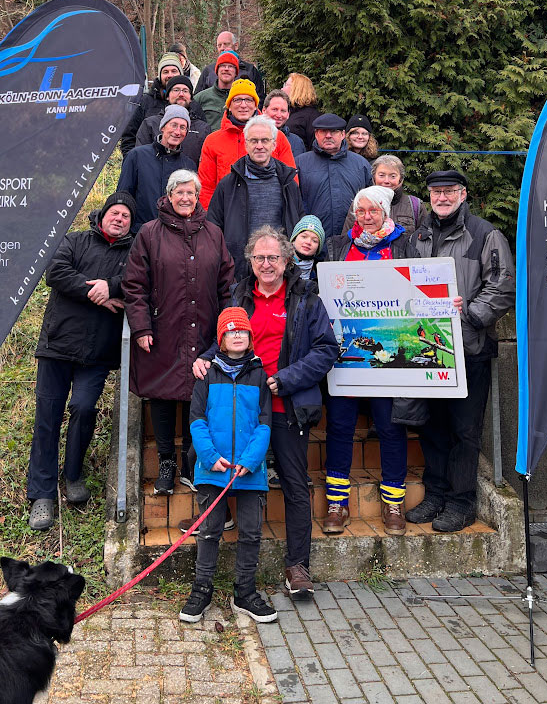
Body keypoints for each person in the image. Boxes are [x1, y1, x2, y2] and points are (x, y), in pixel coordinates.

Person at [193, 226, 338, 600]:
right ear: (250, 261)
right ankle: (215, 556)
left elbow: (326, 349)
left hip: (286, 406)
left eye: (273, 257)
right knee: (225, 473)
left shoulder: (306, 298)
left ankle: (297, 566)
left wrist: (286, 379)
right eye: (259, 257)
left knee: (294, 483)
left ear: (287, 260)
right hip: (242, 411)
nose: (266, 263)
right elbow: (224, 338)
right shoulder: (239, 295)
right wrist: (206, 358)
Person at [406, 169, 515, 532]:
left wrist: (468, 313)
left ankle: (462, 502)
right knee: (432, 428)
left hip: (470, 349)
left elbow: (502, 286)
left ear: (463, 194)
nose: (442, 197)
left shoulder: (485, 234)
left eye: (450, 191)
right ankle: (436, 494)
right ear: (429, 196)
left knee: (464, 431)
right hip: (429, 349)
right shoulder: (418, 236)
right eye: (436, 192)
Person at [27, 193, 136, 530]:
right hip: (57, 344)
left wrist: (111, 285)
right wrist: (96, 294)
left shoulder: (134, 253)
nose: (119, 219)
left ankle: (73, 474)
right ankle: (42, 494)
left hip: (97, 352)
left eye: (126, 216)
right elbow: (56, 272)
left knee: (84, 408)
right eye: (114, 212)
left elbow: (139, 282)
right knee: (47, 418)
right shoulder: (74, 241)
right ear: (102, 215)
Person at [123, 170, 234, 495]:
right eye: (179, 192)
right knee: (161, 394)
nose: (185, 198)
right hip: (162, 329)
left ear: (198, 197)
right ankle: (166, 462)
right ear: (169, 195)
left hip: (204, 328)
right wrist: (141, 326)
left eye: (191, 193)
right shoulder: (149, 233)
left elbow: (226, 284)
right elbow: (134, 284)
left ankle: (190, 460)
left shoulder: (213, 233)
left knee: (196, 394)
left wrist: (225, 328)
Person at [323, 186, 425, 535]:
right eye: (361, 211)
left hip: (387, 353)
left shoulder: (404, 244)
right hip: (346, 354)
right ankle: (337, 502)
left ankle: (393, 502)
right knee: (339, 426)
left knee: (390, 427)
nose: (367, 217)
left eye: (374, 211)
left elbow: (418, 290)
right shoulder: (338, 245)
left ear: (386, 213)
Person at [179, 307, 277, 624]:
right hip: (213, 469)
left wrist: (250, 460)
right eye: (230, 331)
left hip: (249, 470)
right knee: (209, 531)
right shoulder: (207, 376)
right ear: (221, 338)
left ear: (250, 336)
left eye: (242, 330)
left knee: (251, 532)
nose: (237, 335)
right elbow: (197, 420)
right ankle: (201, 590)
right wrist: (209, 457)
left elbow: (264, 424)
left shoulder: (259, 376)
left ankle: (245, 593)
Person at [206, 115, 304, 280]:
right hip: (239, 270)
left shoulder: (288, 183)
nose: (259, 146)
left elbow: (298, 222)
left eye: (265, 140)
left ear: (274, 144)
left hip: (280, 270)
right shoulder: (228, 184)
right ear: (246, 144)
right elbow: (214, 228)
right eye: (254, 141)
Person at [197, 79, 296, 210]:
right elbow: (206, 188)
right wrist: (212, 218)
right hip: (227, 214)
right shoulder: (213, 141)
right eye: (237, 100)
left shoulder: (277, 137)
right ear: (229, 106)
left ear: (255, 105)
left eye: (249, 100)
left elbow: (291, 181)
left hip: (268, 213)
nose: (243, 105)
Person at [117, 104, 196, 232]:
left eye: (183, 127)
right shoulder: (137, 156)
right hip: (139, 233)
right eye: (173, 125)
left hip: (174, 235)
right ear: (163, 127)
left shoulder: (189, 165)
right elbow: (123, 196)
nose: (177, 132)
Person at [296, 113, 372, 239]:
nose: (328, 136)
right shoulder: (300, 164)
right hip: (313, 241)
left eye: (333, 131)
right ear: (316, 134)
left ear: (343, 134)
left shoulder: (361, 164)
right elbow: (293, 204)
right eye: (323, 131)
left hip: (352, 240)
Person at [135, 75, 211, 167]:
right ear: (167, 96)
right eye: (176, 90)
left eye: (185, 91)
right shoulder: (150, 124)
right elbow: (141, 158)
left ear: (191, 98)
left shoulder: (203, 128)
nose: (181, 94)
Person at [342, 154, 428, 235]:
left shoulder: (415, 206)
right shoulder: (360, 203)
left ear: (400, 179)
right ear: (374, 177)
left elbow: (424, 241)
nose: (386, 181)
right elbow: (347, 239)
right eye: (381, 175)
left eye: (393, 176)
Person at [120, 52, 183, 157]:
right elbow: (129, 137)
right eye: (165, 72)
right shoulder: (144, 102)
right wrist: (131, 161)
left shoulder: (191, 103)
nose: (170, 75)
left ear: (180, 73)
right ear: (160, 75)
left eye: (174, 71)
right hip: (149, 162)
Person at [194, 30, 265, 102]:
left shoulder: (250, 70)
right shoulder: (208, 71)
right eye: (219, 45)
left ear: (236, 45)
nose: (222, 48)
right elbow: (197, 99)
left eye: (226, 44)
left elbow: (260, 99)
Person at [194, 51, 240, 132]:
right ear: (217, 71)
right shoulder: (200, 98)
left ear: (236, 72)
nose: (226, 69)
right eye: (223, 66)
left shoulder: (243, 98)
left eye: (231, 66)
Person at [281, 73, 321, 150]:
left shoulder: (311, 117)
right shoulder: (289, 112)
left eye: (286, 85)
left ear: (297, 89)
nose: (282, 89)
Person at [262, 90, 306, 159]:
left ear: (288, 114)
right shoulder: (252, 137)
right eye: (275, 109)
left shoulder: (297, 142)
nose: (279, 115)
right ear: (264, 110)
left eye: (283, 111)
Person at [290, 215, 325, 280]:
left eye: (314, 240)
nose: (308, 242)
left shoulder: (320, 274)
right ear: (294, 240)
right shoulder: (280, 267)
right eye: (304, 237)